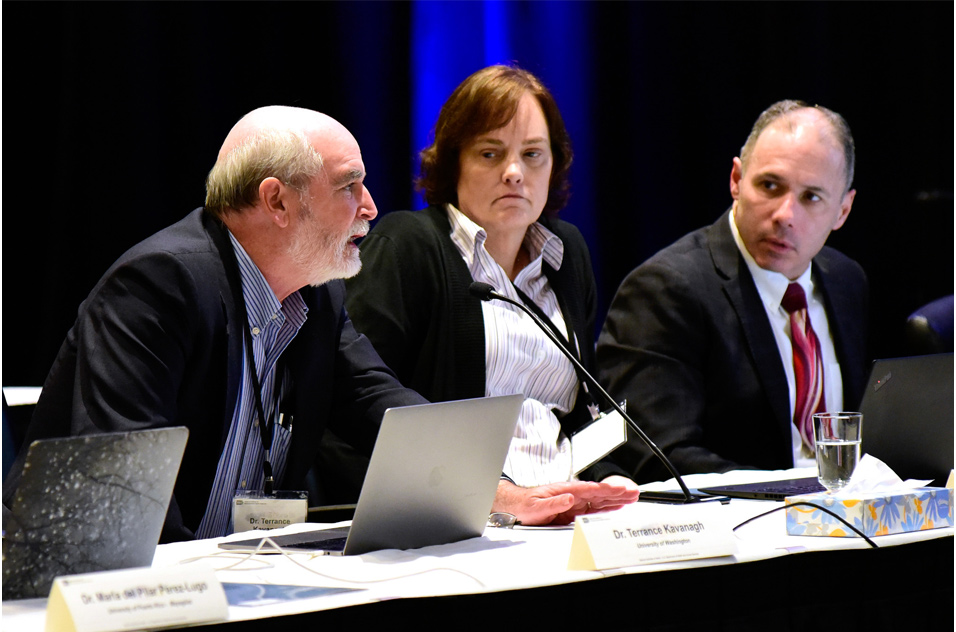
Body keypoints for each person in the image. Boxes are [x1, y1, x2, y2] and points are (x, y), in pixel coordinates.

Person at [1, 106, 432, 542]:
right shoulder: (159, 285)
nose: (371, 206)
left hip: (242, 571)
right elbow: (125, 471)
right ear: (277, 201)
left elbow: (375, 399)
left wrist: (489, 483)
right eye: (349, 186)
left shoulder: (316, 293)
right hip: (98, 578)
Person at [338, 64, 640, 523]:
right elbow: (355, 407)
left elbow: (577, 408)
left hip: (565, 511)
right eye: (490, 153)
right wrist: (492, 495)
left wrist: (606, 476)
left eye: (533, 154)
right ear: (453, 161)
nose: (515, 173)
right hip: (460, 520)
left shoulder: (567, 254)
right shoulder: (408, 246)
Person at [596, 100, 868, 483]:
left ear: (843, 210)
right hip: (743, 530)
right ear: (736, 180)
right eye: (770, 186)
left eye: (811, 197)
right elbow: (659, 457)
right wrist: (797, 494)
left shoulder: (846, 280)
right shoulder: (666, 290)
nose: (785, 215)